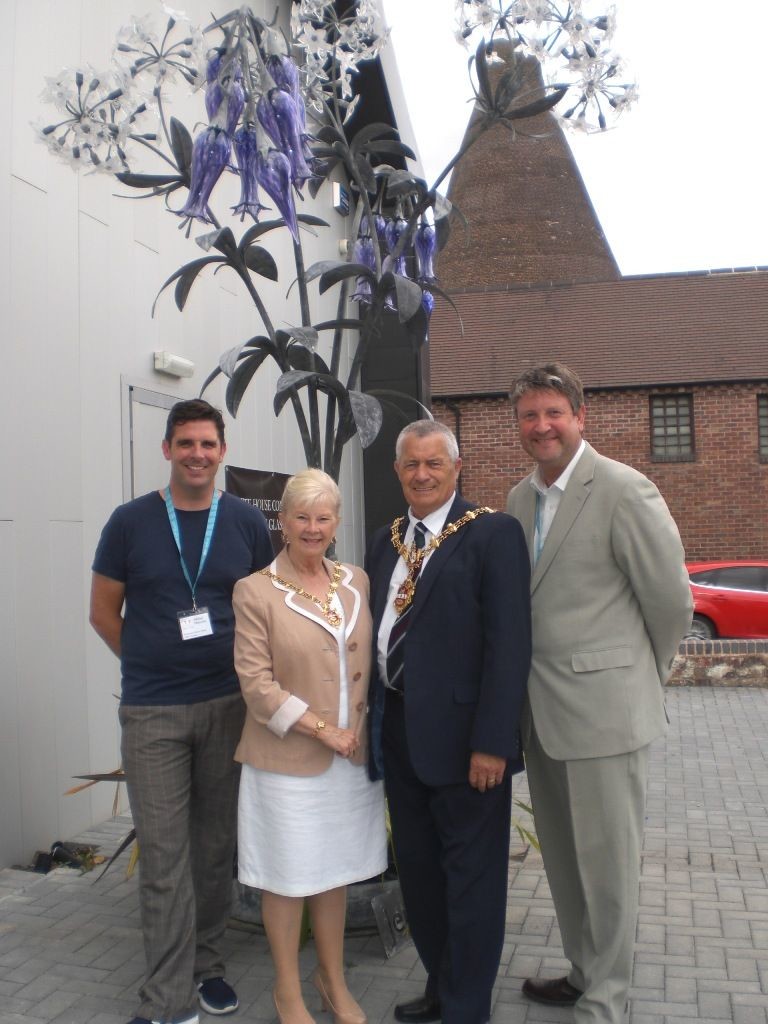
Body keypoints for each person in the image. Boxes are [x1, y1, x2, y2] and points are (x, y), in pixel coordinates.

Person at [505, 363, 693, 1024]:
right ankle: (585, 972)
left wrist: (639, 680)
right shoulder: (518, 500)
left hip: (606, 715)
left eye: (554, 412)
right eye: (530, 415)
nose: (542, 426)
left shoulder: (621, 488)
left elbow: (670, 603)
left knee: (610, 868)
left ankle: (607, 1000)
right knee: (563, 858)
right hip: (542, 715)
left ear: (580, 416)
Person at [90, 398, 273, 1024]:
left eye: (209, 444)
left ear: (222, 452)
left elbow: (264, 613)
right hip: (154, 714)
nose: (198, 454)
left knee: (213, 848)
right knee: (165, 860)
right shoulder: (129, 523)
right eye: (186, 443)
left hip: (228, 706)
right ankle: (165, 1000)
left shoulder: (247, 523)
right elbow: (102, 612)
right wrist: (149, 661)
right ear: (167, 449)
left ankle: (209, 967)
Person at [366, 421, 532, 1024]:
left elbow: (509, 646)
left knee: (471, 883)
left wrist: (493, 741)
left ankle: (467, 1009)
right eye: (411, 464)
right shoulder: (386, 540)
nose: (423, 475)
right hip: (399, 734)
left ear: (457, 468)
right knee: (421, 878)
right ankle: (442, 986)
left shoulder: (492, 534)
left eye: (435, 463)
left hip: (469, 745)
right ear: (397, 471)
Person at [232, 469, 387, 1024]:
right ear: (283, 521)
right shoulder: (255, 591)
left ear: (337, 522)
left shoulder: (357, 581)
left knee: (334, 873)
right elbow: (257, 686)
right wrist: (325, 730)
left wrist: (354, 737)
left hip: (350, 764)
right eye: (302, 516)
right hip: (287, 764)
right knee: (289, 877)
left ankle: (332, 979)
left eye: (323, 517)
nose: (313, 527)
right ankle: (287, 990)